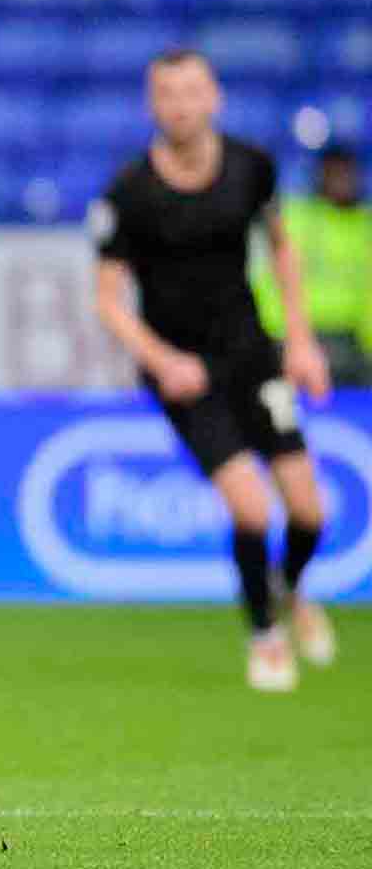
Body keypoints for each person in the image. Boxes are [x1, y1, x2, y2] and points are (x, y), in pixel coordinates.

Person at [93, 48, 338, 693]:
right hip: (184, 373)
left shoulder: (253, 167)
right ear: (153, 105)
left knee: (309, 512)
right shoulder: (129, 192)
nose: (180, 105)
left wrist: (302, 340)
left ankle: (289, 586)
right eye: (167, 94)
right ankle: (265, 634)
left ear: (214, 98)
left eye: (192, 91)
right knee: (253, 511)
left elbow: (282, 252)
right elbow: (107, 301)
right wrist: (162, 359)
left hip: (253, 354)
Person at [253, 144, 372, 386]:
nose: (341, 181)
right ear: (319, 175)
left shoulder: (365, 225)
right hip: (283, 334)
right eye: (333, 172)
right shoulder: (290, 215)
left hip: (347, 338)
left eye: (346, 173)